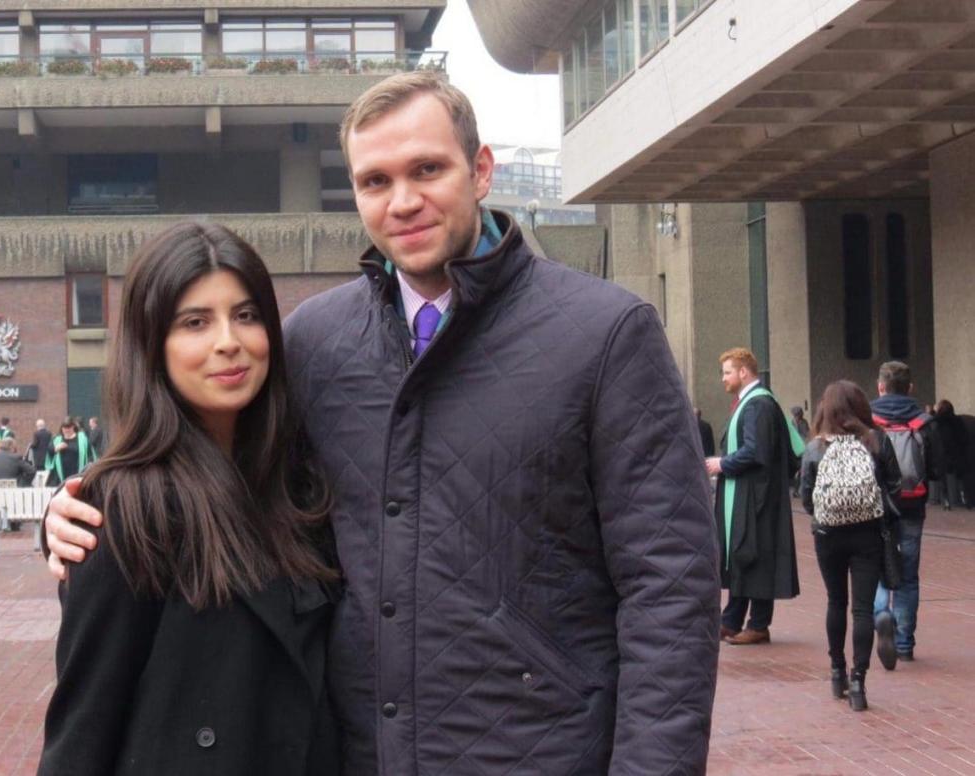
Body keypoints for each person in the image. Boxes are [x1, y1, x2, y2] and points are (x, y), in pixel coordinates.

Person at [44, 72, 721, 773]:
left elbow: (670, 587)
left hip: (543, 753)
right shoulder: (315, 342)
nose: (403, 202)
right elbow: (225, 478)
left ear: (481, 170)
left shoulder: (606, 335)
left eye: (427, 169)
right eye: (375, 181)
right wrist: (78, 513)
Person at [38, 222, 339, 775]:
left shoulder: (300, 485)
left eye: (246, 316)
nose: (229, 340)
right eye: (195, 322)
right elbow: (83, 725)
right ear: (153, 346)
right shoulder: (127, 509)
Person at [799, 381, 900, 712]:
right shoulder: (876, 440)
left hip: (828, 535)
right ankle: (859, 681)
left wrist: (827, 514)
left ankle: (836, 672)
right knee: (862, 609)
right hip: (868, 533)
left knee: (835, 601)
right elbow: (895, 485)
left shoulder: (815, 447)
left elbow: (807, 496)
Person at [705, 347, 804, 645]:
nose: (723, 378)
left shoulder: (758, 405)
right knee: (742, 555)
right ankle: (732, 619)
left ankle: (758, 624)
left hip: (757, 497)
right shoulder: (750, 403)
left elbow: (755, 451)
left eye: (727, 372)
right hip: (748, 493)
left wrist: (721, 463)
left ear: (743, 372)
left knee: (755, 556)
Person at [871, 361, 943, 666]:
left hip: (876, 505)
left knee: (876, 569)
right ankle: (904, 642)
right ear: (910, 388)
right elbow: (936, 469)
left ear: (880, 386)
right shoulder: (924, 422)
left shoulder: (867, 419)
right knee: (909, 576)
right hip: (912, 505)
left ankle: (881, 614)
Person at [933, 400, 968, 509]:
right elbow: (964, 438)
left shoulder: (936, 422)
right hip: (957, 454)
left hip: (941, 454)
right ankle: (963, 498)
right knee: (960, 478)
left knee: (943, 479)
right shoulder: (958, 421)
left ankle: (946, 501)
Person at [45, 419, 94, 484]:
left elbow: (90, 454)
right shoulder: (57, 439)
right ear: (62, 428)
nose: (66, 430)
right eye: (64, 428)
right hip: (61, 475)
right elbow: (49, 452)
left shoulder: (82, 438)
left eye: (69, 427)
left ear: (73, 427)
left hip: (78, 471)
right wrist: (56, 448)